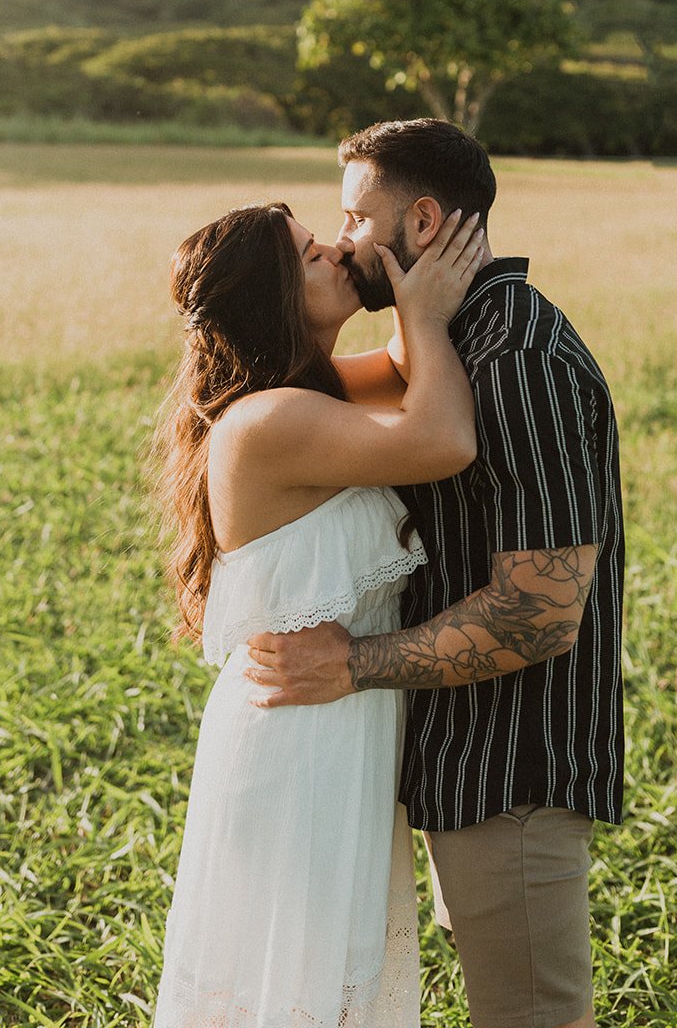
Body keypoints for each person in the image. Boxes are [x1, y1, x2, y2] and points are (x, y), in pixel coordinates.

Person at [247, 120, 625, 1028]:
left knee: (531, 1016)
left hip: (515, 768)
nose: (340, 240)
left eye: (352, 217)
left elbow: (539, 614)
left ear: (419, 220)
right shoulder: (452, 348)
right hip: (462, 754)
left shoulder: (517, 360)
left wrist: (353, 663)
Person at [152, 197, 486, 1028]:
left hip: (336, 718)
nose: (338, 252)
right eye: (312, 255)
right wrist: (419, 302)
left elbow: (411, 363)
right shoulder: (272, 419)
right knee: (296, 983)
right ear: (273, 297)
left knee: (330, 978)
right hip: (298, 736)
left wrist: (412, 265)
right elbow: (443, 436)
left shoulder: (308, 390)